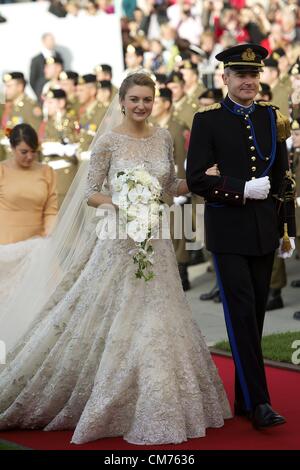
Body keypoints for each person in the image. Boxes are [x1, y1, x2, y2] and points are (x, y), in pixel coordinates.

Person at [0, 73, 231, 445]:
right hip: (118, 243)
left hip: (155, 244)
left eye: (147, 99)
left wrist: (201, 178)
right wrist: (120, 204)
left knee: (158, 321)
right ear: (122, 101)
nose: (141, 105)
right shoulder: (107, 141)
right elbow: (91, 192)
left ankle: (157, 398)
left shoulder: (161, 137)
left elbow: (169, 189)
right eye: (135, 99)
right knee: (107, 316)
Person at [186, 44, 295, 429]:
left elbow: (285, 180)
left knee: (256, 315)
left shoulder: (271, 117)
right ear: (225, 79)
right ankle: (261, 402)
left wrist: (288, 231)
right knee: (241, 315)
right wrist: (239, 189)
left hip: (265, 231)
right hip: (229, 230)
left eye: (253, 75)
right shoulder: (207, 121)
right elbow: (198, 178)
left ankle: (245, 399)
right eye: (240, 75)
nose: (248, 82)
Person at [0, 123, 58, 245]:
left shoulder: (47, 172)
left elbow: (51, 211)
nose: (30, 156)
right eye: (24, 152)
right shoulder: (2, 171)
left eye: (33, 151)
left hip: (36, 245)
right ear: (12, 148)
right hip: (4, 244)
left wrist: (49, 235)